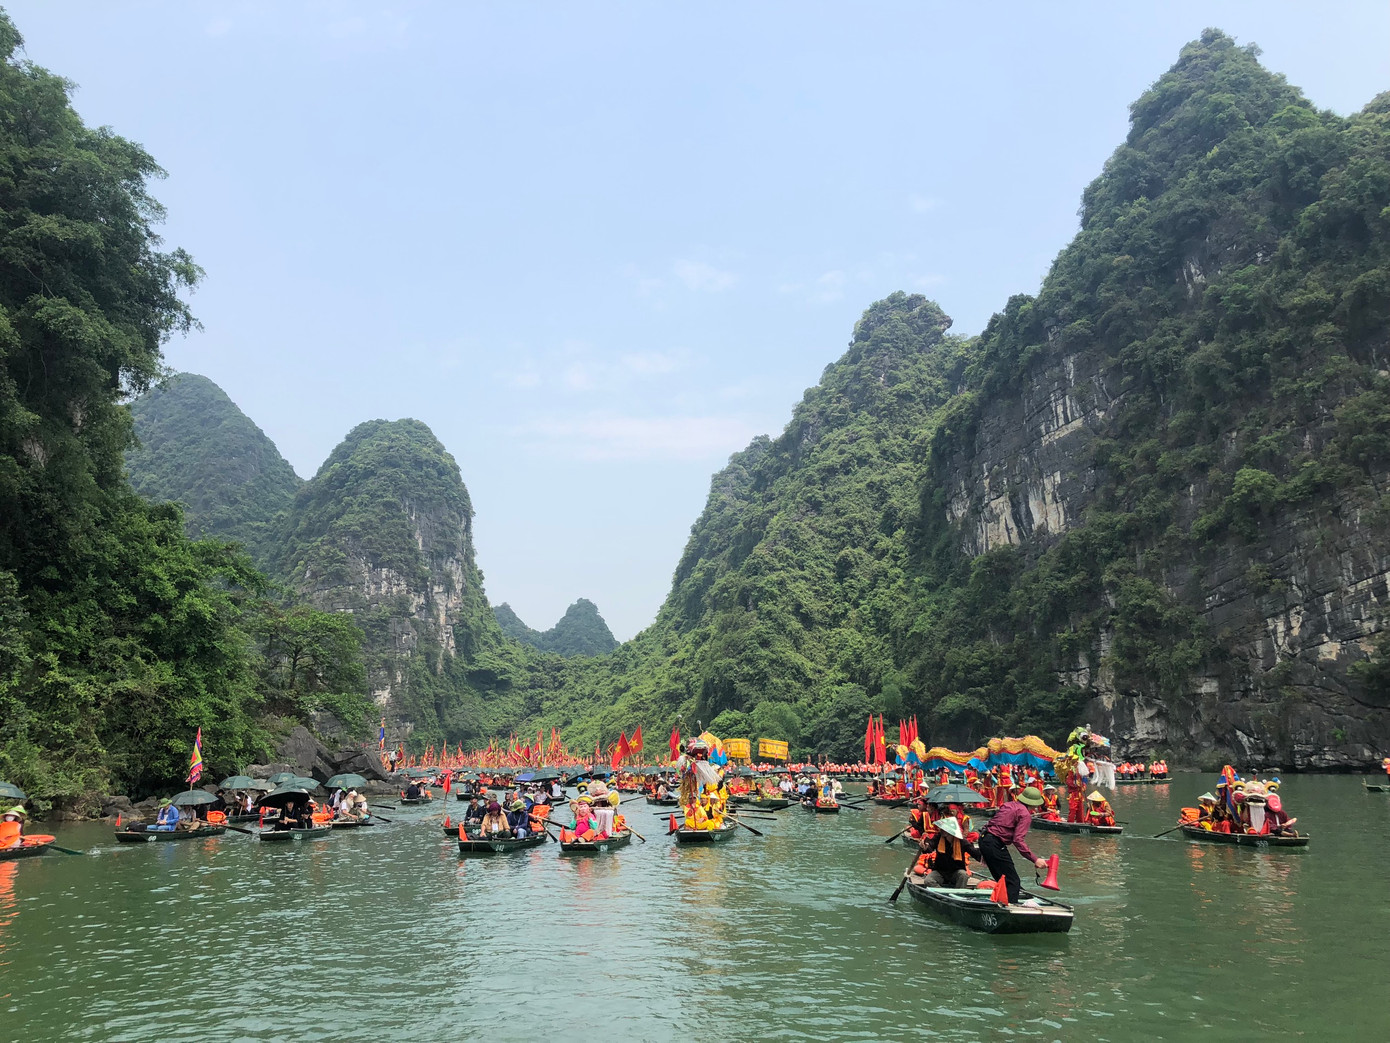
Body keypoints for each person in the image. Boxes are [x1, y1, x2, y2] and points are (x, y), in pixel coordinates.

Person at [979, 786, 1048, 906]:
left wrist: (985, 850)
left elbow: (991, 824)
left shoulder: (1008, 805)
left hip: (984, 839)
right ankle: (1010, 908)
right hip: (994, 844)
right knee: (1013, 881)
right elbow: (1018, 840)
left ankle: (1002, 902)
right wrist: (1035, 859)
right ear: (1035, 804)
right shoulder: (1025, 814)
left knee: (1003, 879)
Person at [920, 817, 981, 888]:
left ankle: (958, 895)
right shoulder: (939, 837)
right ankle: (942, 895)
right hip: (940, 871)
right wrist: (925, 847)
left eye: (944, 829)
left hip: (956, 871)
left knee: (963, 875)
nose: (941, 830)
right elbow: (930, 847)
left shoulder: (962, 841)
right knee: (928, 880)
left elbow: (975, 853)